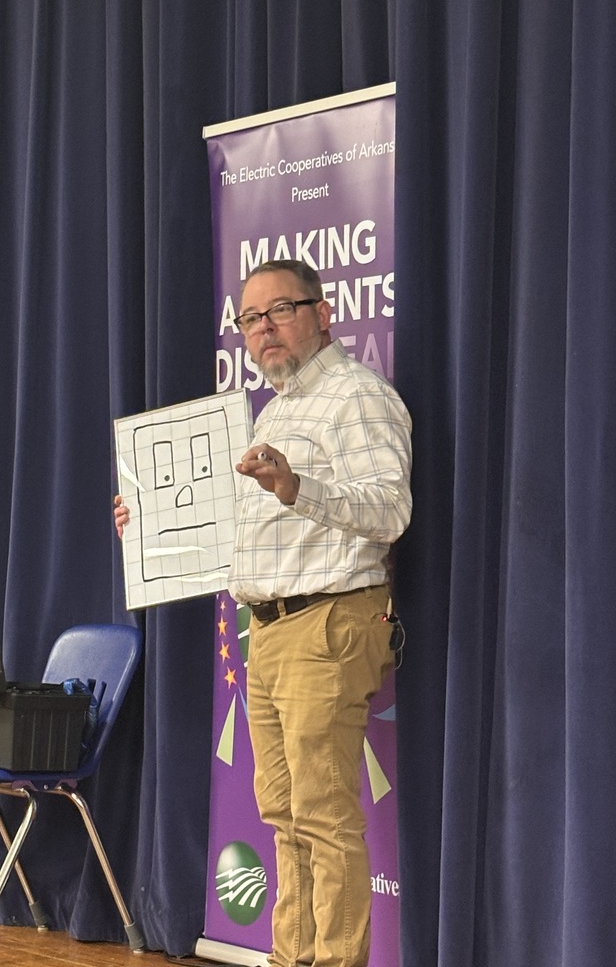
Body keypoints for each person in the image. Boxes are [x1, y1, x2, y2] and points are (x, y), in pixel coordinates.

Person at [114, 259, 412, 967]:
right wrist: (149, 524)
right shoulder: (272, 411)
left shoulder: (357, 397)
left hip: (330, 619)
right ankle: (291, 958)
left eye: (280, 311)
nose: (264, 330)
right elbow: (235, 536)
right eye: (251, 319)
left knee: (323, 815)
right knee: (283, 814)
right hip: (270, 631)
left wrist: (298, 487)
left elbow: (391, 511)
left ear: (323, 310)